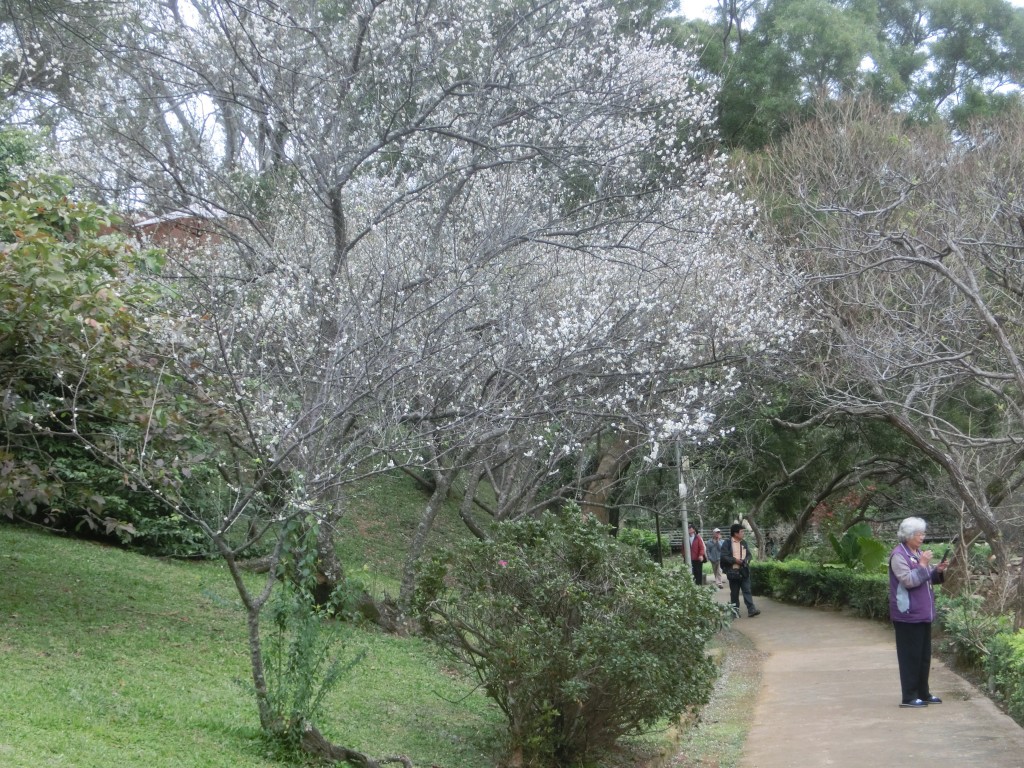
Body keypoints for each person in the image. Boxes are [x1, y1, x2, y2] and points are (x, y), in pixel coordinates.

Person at [889, 516, 947, 708]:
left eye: (923, 533)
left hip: (923, 614)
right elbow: (909, 580)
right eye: (918, 534)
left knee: (923, 658)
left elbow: (926, 579)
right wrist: (922, 565)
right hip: (907, 616)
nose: (922, 537)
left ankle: (923, 693)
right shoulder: (899, 555)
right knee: (910, 658)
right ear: (908, 535)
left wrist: (937, 571)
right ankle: (909, 697)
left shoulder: (917, 552)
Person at [720, 523, 760, 617]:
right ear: (735, 534)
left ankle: (751, 609)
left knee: (747, 590)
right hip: (733, 572)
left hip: (744, 570)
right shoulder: (727, 543)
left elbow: (749, 555)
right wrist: (735, 561)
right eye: (741, 532)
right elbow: (724, 556)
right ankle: (735, 612)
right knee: (734, 593)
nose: (743, 534)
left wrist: (746, 560)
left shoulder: (744, 542)